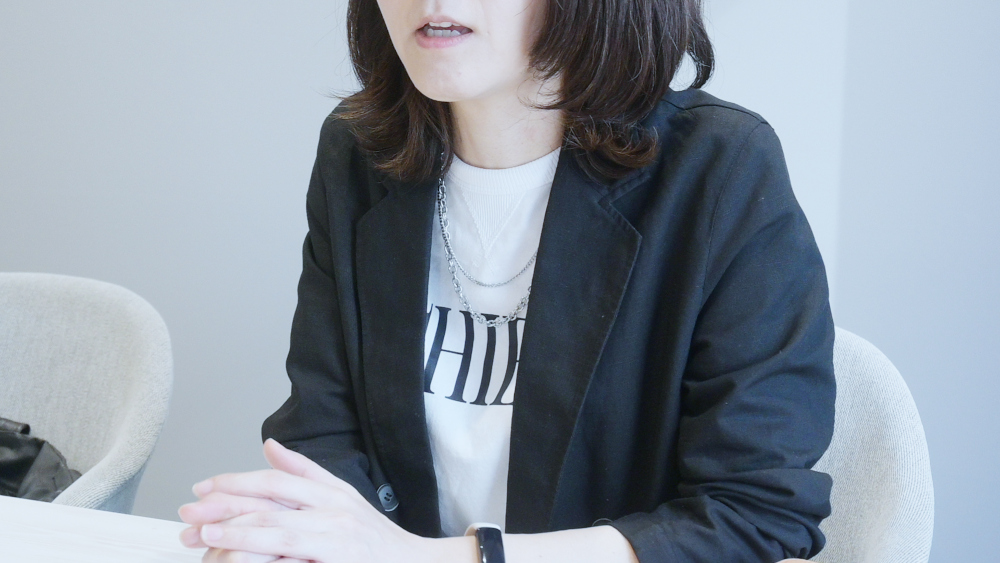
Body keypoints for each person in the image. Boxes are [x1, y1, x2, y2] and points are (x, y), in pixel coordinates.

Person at [177, 0, 836, 561]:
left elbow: (754, 514)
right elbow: (323, 432)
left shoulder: (719, 170)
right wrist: (290, 534)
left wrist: (430, 557)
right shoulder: (358, 152)